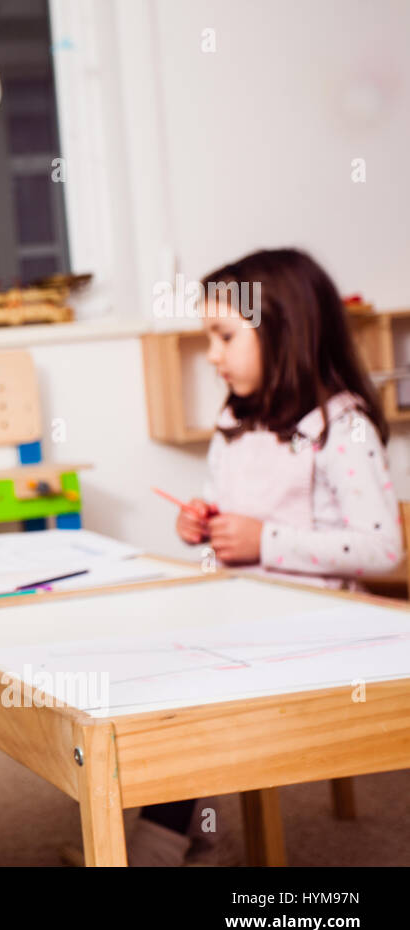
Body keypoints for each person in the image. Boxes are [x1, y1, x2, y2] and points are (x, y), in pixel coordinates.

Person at [143, 247, 402, 866]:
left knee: (194, 676)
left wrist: (267, 541)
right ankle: (187, 825)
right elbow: (229, 506)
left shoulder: (344, 428)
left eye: (225, 336)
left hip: (323, 626)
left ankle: (160, 840)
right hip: (247, 610)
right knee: (154, 659)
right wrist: (200, 521)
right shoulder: (237, 421)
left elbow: (384, 547)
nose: (212, 356)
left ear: (285, 329)